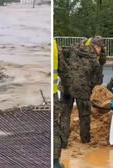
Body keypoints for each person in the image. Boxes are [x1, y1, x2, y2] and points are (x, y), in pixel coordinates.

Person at [59, 36, 105, 148]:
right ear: (96, 46)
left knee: (65, 115)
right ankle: (85, 141)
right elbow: (96, 81)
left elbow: (61, 58)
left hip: (66, 86)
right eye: (101, 49)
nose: (101, 52)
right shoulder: (94, 61)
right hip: (82, 90)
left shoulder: (74, 49)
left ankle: (63, 142)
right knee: (84, 115)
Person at [53, 40, 64, 168]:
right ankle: (55, 163)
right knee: (55, 128)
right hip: (53, 93)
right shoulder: (54, 45)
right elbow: (64, 70)